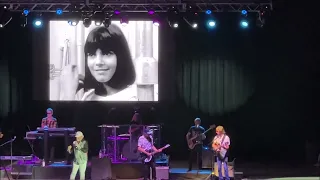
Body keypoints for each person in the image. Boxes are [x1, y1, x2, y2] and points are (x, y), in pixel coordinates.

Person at [61, 24, 137, 101]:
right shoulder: (89, 96)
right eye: (91, 54)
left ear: (121, 57)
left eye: (107, 53)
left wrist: (68, 96)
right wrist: (70, 92)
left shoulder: (131, 99)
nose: (98, 62)